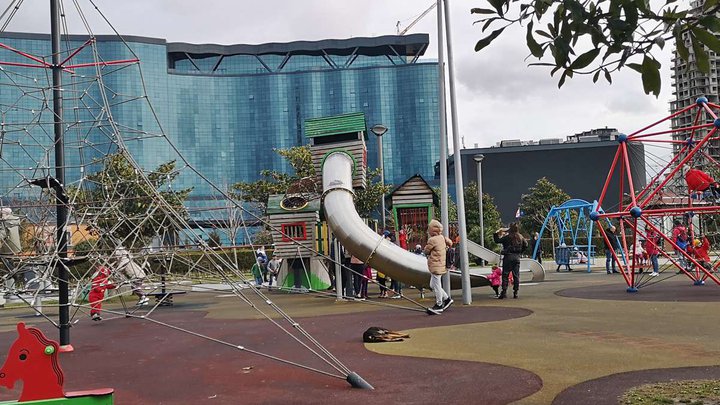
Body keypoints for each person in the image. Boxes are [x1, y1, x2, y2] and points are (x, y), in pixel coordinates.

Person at [423, 219, 454, 314]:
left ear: (433, 230)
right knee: (432, 285)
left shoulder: (432, 240)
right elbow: (450, 243)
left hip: (436, 266)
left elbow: (426, 251)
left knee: (436, 286)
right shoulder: (442, 238)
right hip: (441, 265)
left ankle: (439, 304)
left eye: (429, 229)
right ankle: (447, 299)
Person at [493, 223, 528, 299]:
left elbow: (497, 240)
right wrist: (520, 252)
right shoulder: (520, 237)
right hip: (516, 258)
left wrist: (497, 232)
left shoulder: (507, 237)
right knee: (516, 276)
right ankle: (515, 293)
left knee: (505, 275)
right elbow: (526, 245)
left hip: (508, 257)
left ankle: (504, 292)